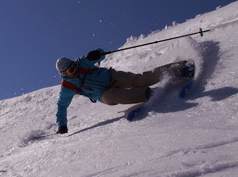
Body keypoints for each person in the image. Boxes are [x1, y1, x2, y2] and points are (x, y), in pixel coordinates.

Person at [55, 49, 191, 133]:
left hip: (112, 77)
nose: (75, 69)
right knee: (113, 96)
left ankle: (180, 69)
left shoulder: (81, 63)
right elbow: (62, 106)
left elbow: (99, 55)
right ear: (64, 73)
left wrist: (95, 55)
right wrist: (62, 125)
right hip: (103, 93)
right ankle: (148, 94)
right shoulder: (67, 87)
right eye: (71, 70)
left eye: (74, 65)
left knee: (140, 80)